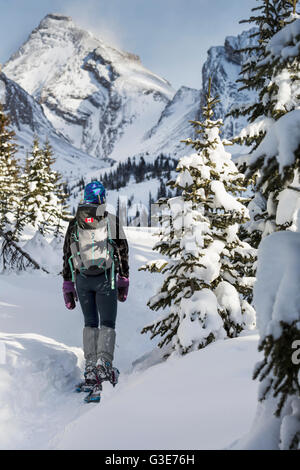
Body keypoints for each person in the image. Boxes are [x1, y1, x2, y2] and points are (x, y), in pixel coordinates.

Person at [62, 181, 129, 403]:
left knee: (90, 323)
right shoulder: (111, 221)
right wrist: (123, 280)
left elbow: (67, 255)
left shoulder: (75, 223)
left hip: (81, 280)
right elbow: (122, 253)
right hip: (105, 280)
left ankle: (90, 371)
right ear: (102, 198)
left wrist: (68, 285)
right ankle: (105, 370)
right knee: (107, 323)